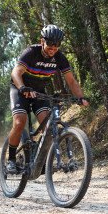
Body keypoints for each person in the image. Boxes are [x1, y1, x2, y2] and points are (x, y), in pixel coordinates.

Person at [6, 24, 89, 173]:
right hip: (20, 89)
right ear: (42, 41)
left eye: (57, 44)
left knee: (48, 128)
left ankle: (40, 159)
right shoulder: (31, 52)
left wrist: (81, 97)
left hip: (39, 92)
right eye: (50, 43)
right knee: (19, 122)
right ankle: (11, 159)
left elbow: (71, 81)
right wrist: (23, 88)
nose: (53, 47)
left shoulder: (59, 58)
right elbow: (15, 73)